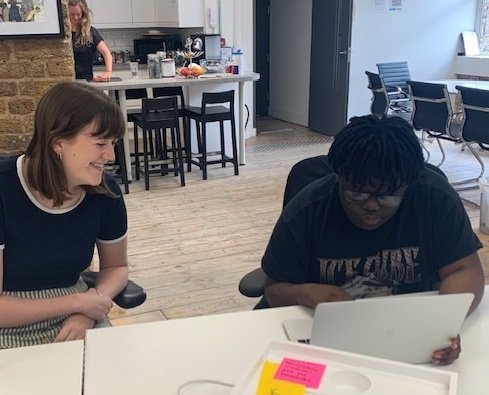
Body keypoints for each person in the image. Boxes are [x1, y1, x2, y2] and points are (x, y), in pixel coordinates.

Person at [261, 115, 485, 365]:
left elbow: (464, 269)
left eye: (388, 196)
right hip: (324, 334)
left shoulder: (435, 199)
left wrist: (443, 327)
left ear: (408, 184)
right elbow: (274, 289)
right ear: (339, 177)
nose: (370, 206)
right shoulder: (307, 210)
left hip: (404, 334)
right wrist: (304, 294)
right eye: (356, 193)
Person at [0, 81, 129, 349]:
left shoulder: (104, 192)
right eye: (100, 143)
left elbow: (116, 267)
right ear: (58, 143)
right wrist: (76, 302)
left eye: (113, 143)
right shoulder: (4, 188)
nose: (110, 155)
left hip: (78, 314)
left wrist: (86, 312)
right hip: (9, 319)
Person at [69, 0, 112, 81]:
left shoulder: (90, 32)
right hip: (67, 81)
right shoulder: (62, 33)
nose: (75, 17)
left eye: (78, 14)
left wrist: (108, 71)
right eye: (72, 14)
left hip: (86, 81)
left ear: (83, 14)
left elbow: (106, 53)